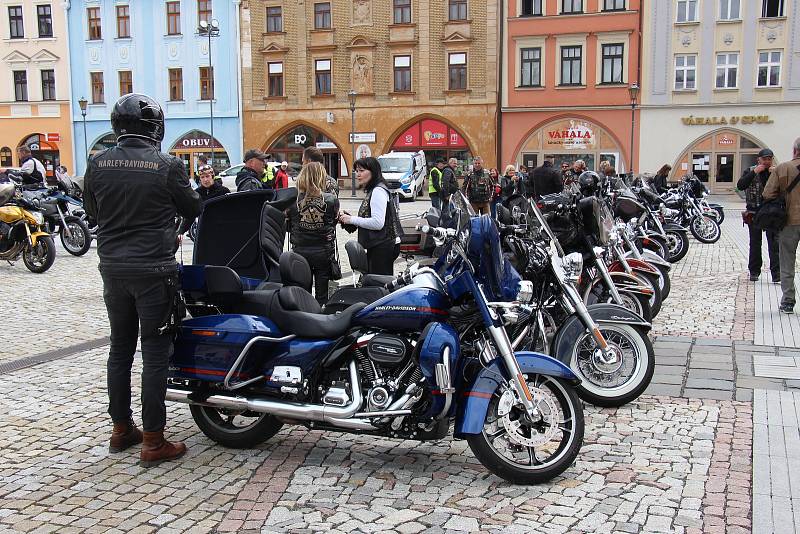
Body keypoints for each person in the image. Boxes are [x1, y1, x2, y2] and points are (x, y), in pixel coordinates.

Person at [83, 93, 201, 467]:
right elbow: (193, 207)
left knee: (120, 349)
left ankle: (121, 429)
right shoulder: (166, 165)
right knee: (154, 352)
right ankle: (153, 440)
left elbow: (91, 212)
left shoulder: (97, 164)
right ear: (155, 128)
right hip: (154, 270)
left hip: (113, 269)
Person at [338, 157, 401, 275]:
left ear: (373, 172)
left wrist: (352, 219)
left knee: (379, 282)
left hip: (383, 245)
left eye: (361, 171)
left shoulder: (378, 191)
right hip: (380, 244)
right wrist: (348, 220)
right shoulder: (375, 189)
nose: (358, 174)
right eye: (357, 171)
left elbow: (378, 223)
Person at [289, 162, 339, 305]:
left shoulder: (293, 199)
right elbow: (332, 222)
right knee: (322, 295)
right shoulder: (331, 199)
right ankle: (320, 319)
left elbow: (288, 224)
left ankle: (303, 318)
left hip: (300, 250)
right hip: (323, 251)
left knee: (302, 292)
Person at [763, 138, 800, 313]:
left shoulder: (782, 168)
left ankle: (788, 301)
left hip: (789, 221)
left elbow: (768, 193)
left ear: (794, 151)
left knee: (787, 260)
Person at [738, 148, 779, 283]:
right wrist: (754, 172)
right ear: (759, 160)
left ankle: (776, 273)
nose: (767, 161)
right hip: (754, 212)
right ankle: (754, 271)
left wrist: (776, 175)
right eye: (764, 159)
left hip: (771, 212)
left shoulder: (776, 171)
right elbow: (740, 185)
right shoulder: (750, 170)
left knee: (774, 244)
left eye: (769, 159)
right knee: (755, 243)